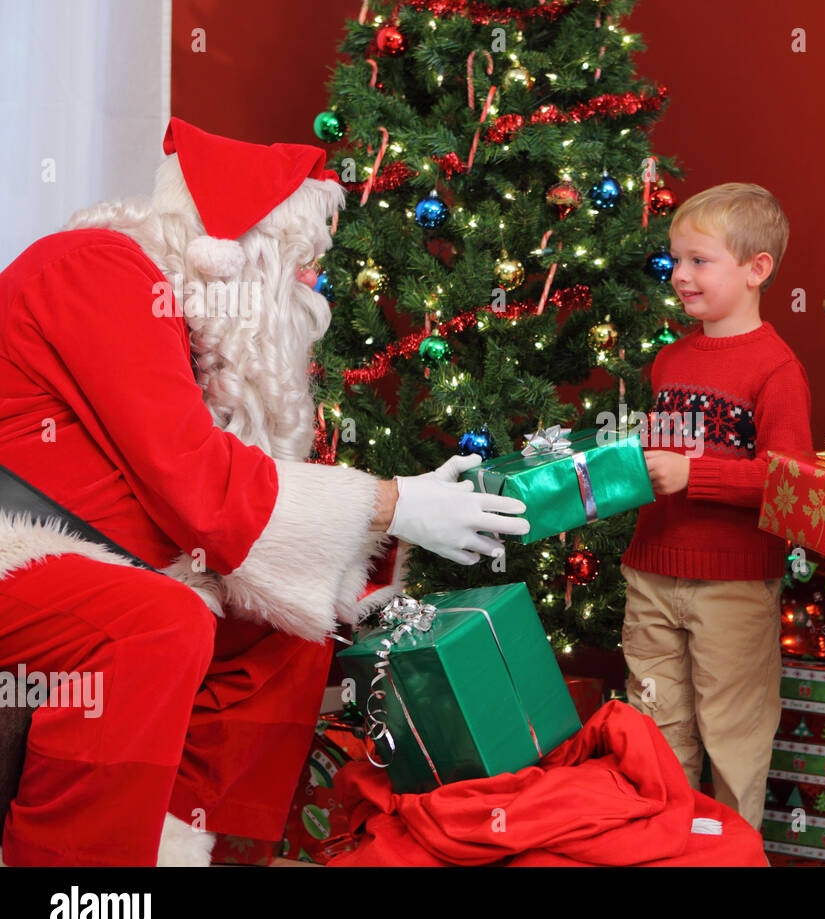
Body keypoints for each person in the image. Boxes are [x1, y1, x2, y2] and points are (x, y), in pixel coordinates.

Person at [0, 118, 527, 866]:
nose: (312, 288)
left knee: (287, 630)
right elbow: (193, 481)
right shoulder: (99, 270)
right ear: (235, 254)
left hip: (102, 549)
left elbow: (217, 505)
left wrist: (376, 537)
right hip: (15, 541)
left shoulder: (190, 318)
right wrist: (393, 503)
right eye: (300, 264)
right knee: (156, 622)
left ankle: (181, 845)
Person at [619, 183, 812, 831]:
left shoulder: (776, 368)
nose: (680, 275)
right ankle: (666, 845)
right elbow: (655, 465)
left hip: (732, 582)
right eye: (676, 260)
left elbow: (791, 481)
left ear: (757, 269)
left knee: (733, 735)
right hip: (651, 571)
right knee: (655, 729)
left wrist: (692, 474)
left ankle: (731, 849)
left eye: (700, 261)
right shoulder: (670, 361)